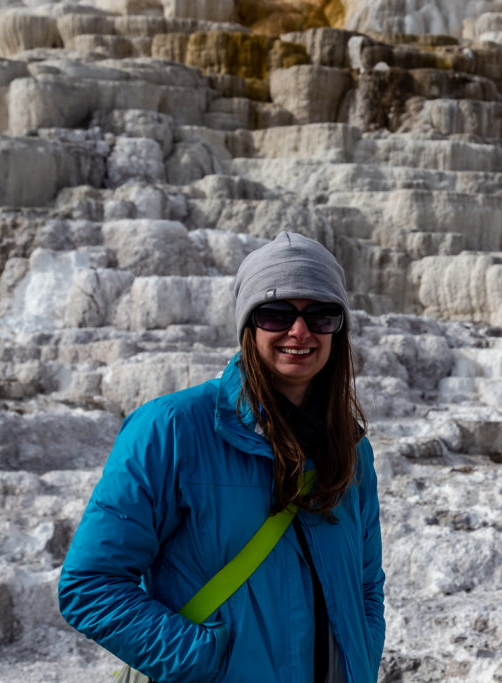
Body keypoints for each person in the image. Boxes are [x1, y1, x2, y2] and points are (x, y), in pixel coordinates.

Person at [58, 232, 385, 682]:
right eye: (275, 313)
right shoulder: (172, 428)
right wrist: (202, 662)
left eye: (322, 315)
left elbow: (366, 585)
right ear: (248, 326)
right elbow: (89, 586)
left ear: (339, 329)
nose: (299, 332)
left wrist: (362, 661)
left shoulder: (349, 448)